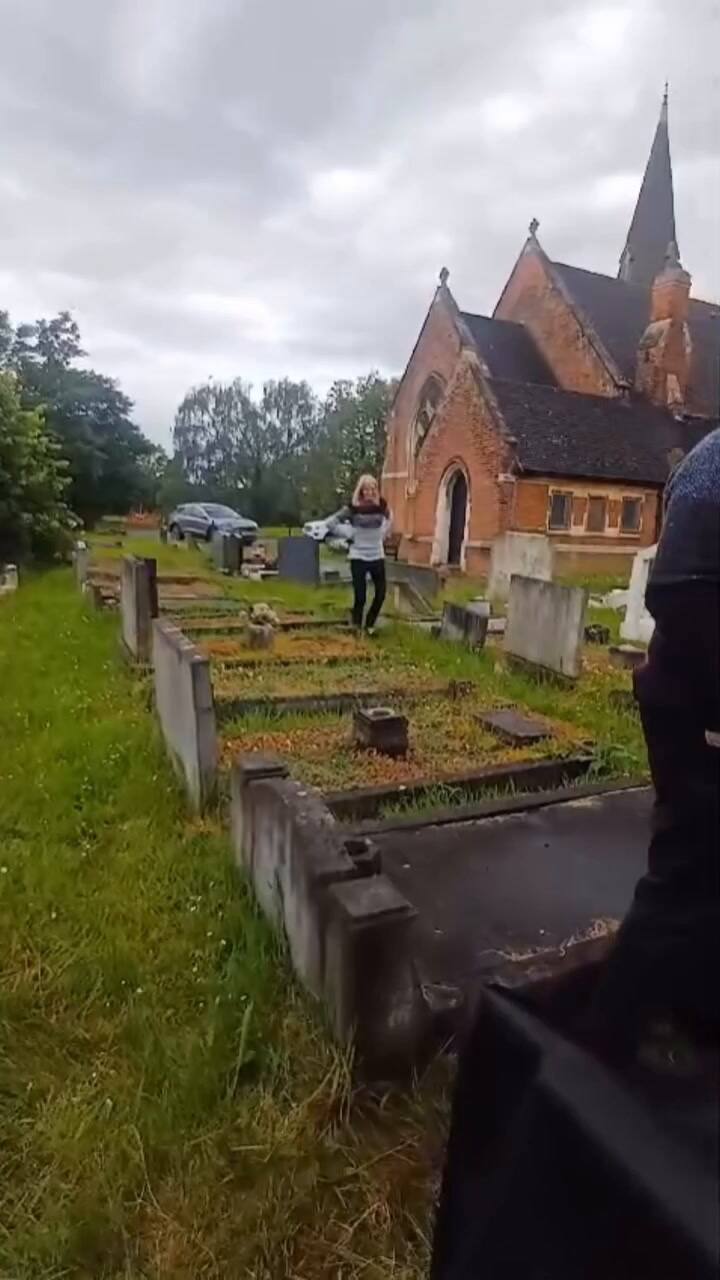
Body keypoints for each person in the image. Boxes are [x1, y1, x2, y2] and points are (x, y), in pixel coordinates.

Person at [583, 427, 720, 1064]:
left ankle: (696, 1012)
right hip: (698, 690)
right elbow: (687, 595)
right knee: (688, 864)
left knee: (699, 866)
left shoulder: (705, 456)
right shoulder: (711, 474)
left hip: (677, 683)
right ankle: (600, 1048)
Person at [327, 475, 391, 634]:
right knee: (360, 596)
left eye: (373, 488)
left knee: (381, 594)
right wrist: (348, 533)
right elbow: (331, 523)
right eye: (366, 489)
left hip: (377, 555)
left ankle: (369, 625)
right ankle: (356, 627)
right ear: (361, 491)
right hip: (358, 557)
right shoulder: (353, 508)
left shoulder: (381, 505)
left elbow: (390, 519)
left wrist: (383, 532)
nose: (370, 492)